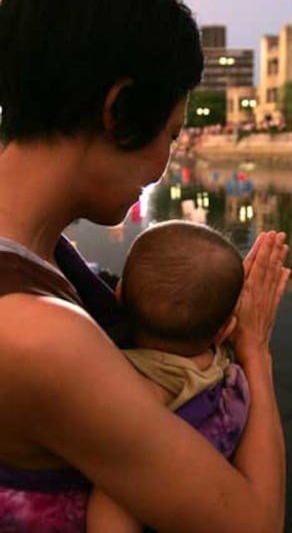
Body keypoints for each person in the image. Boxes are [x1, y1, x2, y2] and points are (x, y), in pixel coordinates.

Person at [0, 0, 290, 533]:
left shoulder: (40, 247)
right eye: (172, 133)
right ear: (121, 109)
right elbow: (255, 522)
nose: (162, 164)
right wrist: (254, 352)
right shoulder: (37, 338)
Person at [88, 219, 251, 532]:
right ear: (226, 329)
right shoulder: (227, 374)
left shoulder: (141, 390)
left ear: (118, 295)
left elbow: (111, 498)